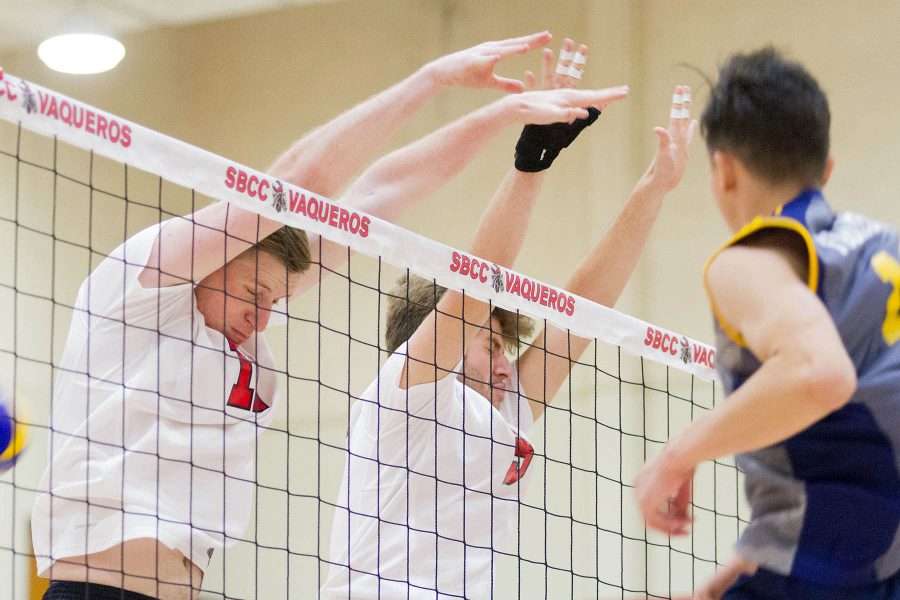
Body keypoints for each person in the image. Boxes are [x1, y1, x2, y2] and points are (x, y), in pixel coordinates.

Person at [31, 32, 629, 600]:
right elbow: (293, 183)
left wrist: (505, 119)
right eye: (255, 293)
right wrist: (432, 78)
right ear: (218, 253)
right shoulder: (140, 287)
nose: (266, 318)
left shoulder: (244, 320)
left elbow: (383, 191)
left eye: (277, 302)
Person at [323, 39, 696, 599]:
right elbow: (481, 279)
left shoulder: (503, 411)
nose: (504, 363)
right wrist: (533, 163)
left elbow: (583, 311)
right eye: (489, 343)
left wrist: (656, 186)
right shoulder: (408, 395)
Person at [634, 47, 900, 599]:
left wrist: (675, 455)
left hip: (835, 574)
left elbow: (820, 375)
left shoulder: (748, 260)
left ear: (723, 170)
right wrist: (738, 572)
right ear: (825, 171)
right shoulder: (882, 248)